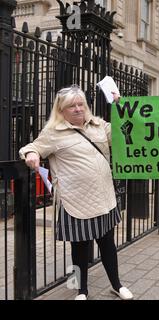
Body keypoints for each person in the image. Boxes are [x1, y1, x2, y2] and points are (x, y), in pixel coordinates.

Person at [19, 85, 133, 301]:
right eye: (72, 106)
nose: (78, 109)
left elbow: (127, 128)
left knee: (107, 243)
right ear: (61, 111)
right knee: (80, 248)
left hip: (103, 197)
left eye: (81, 104)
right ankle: (82, 290)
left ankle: (117, 285)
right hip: (75, 200)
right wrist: (32, 154)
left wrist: (121, 105)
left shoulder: (100, 126)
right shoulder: (53, 132)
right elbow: (32, 147)